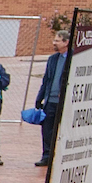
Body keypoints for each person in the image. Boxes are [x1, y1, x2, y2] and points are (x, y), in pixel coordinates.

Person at [32, 35, 71, 167]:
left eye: (57, 41)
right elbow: (46, 79)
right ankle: (47, 156)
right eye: (54, 40)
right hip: (50, 101)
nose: (54, 43)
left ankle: (64, 156)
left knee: (65, 130)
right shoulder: (53, 59)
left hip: (65, 103)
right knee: (47, 129)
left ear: (66, 42)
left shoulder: (74, 58)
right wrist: (40, 98)